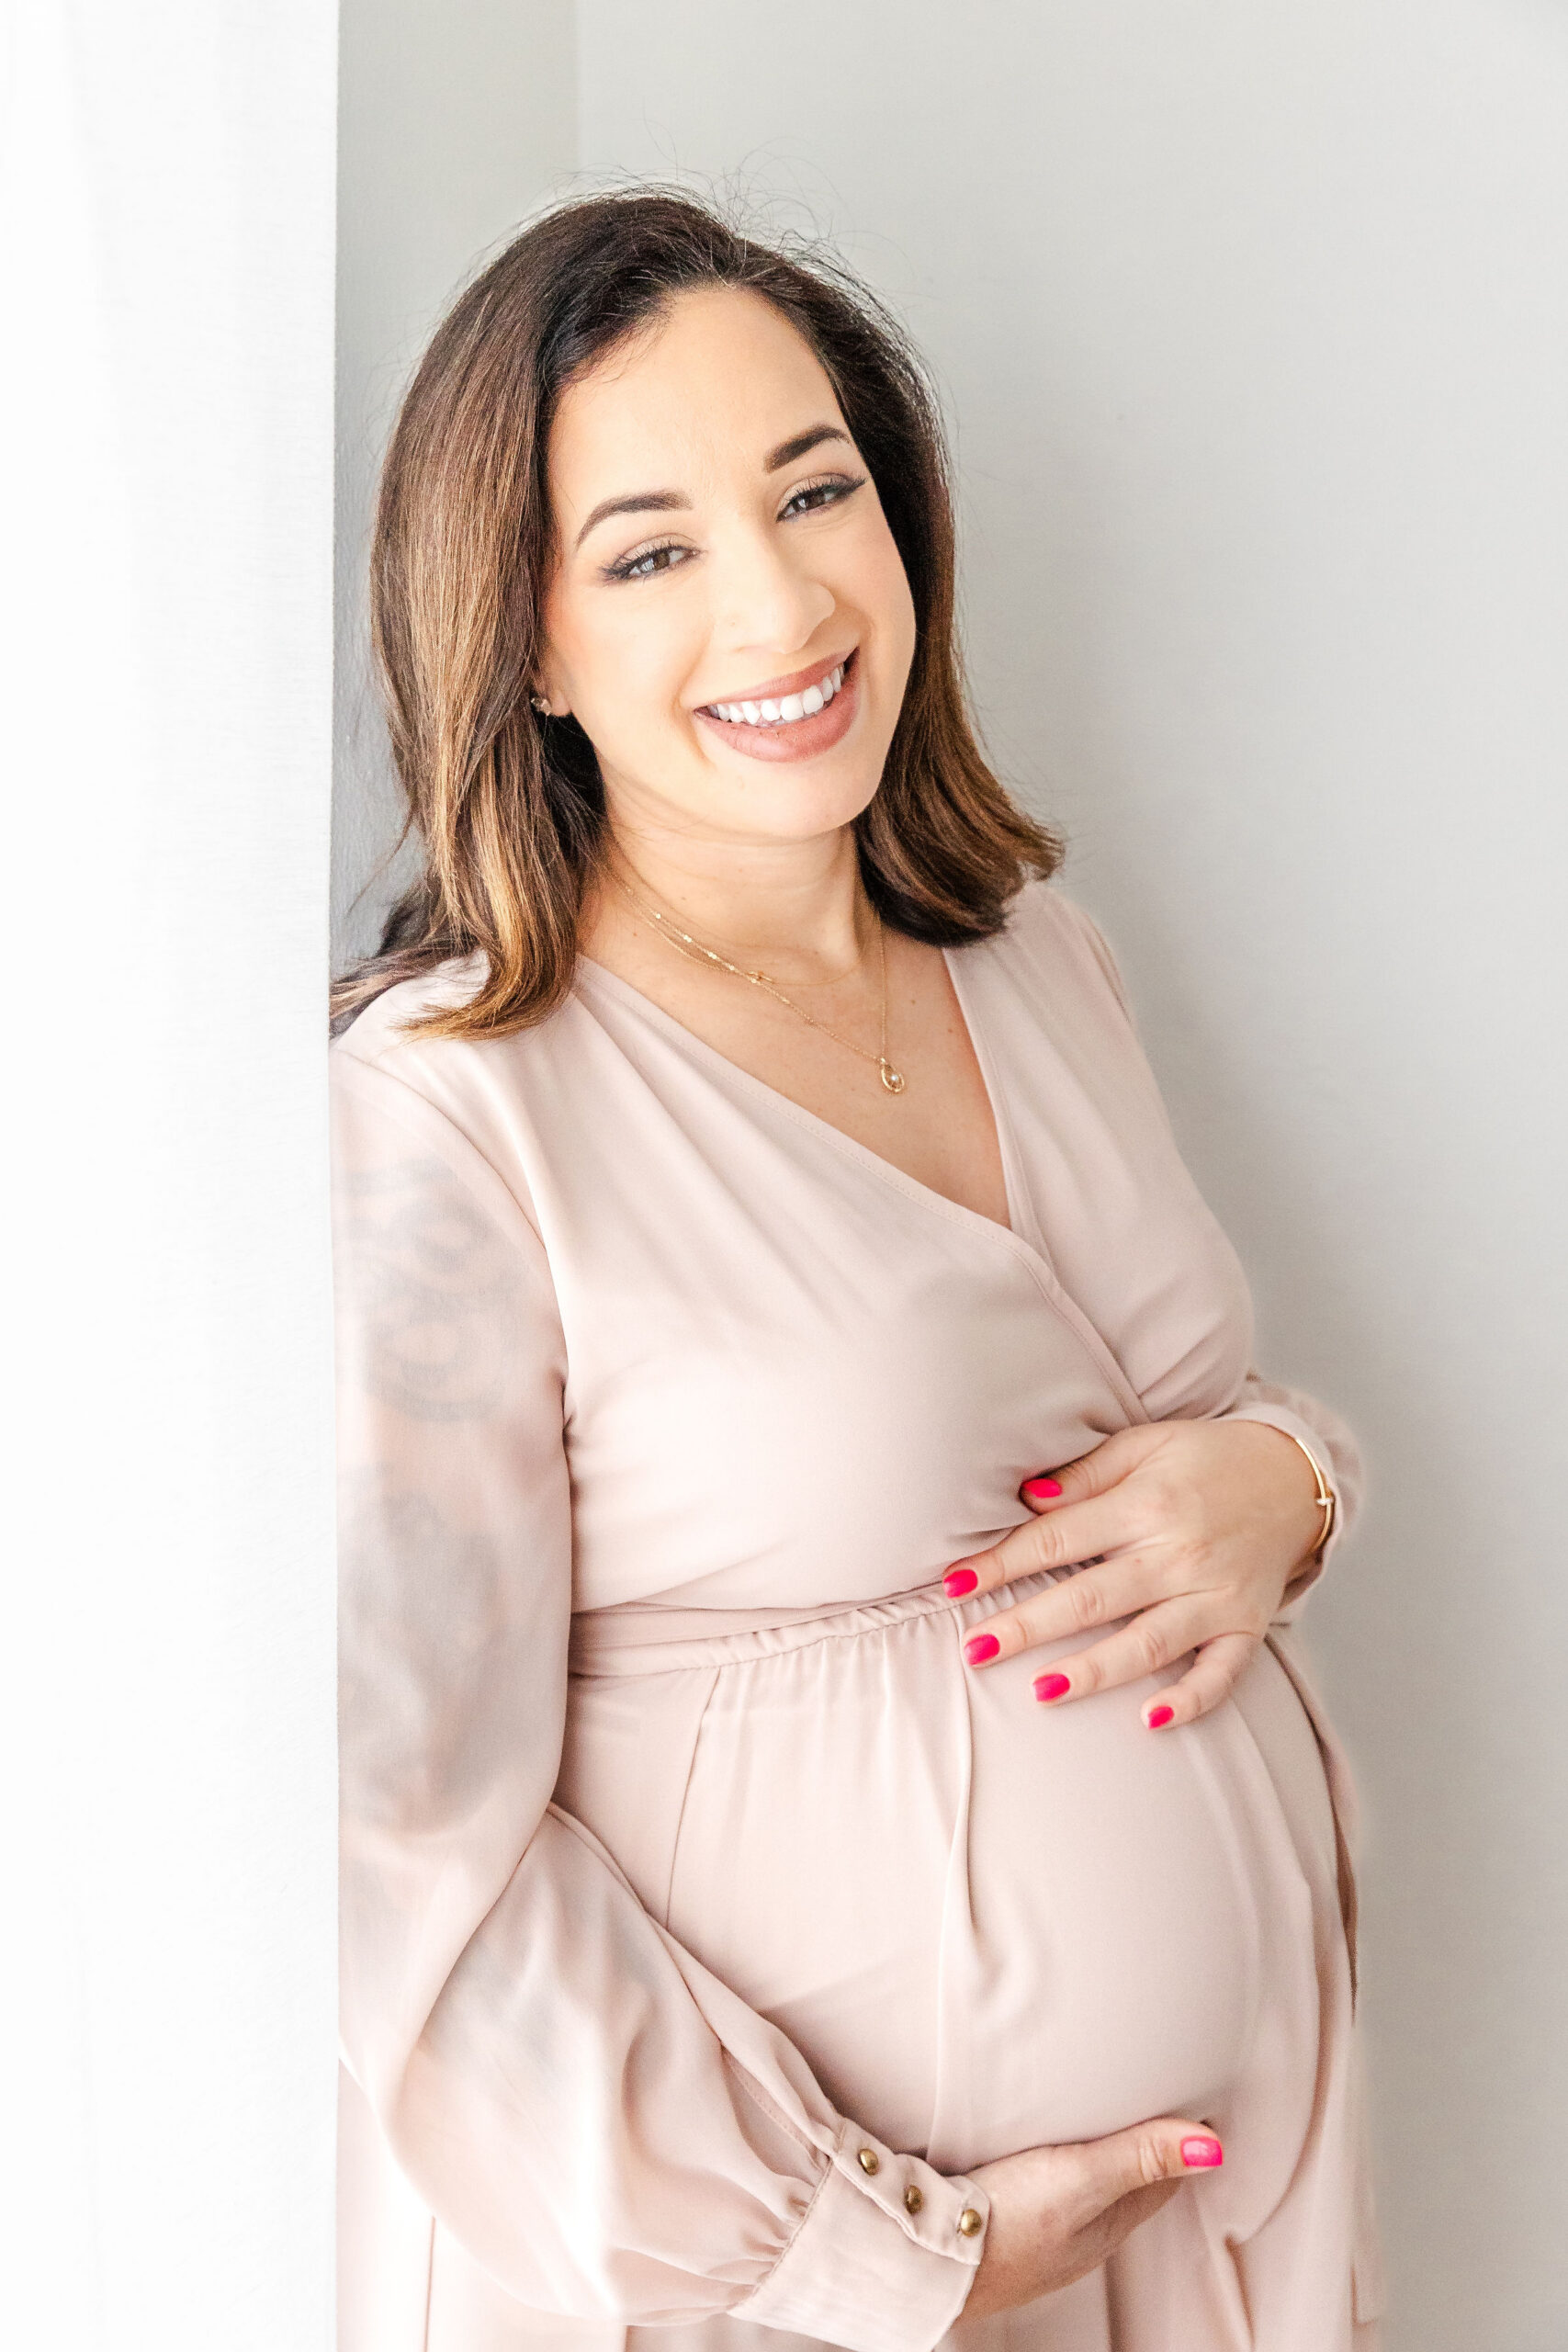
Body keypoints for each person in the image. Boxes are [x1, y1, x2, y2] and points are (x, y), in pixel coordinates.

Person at [331, 188, 1382, 2351]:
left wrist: (1290, 1481)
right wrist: (869, 2251)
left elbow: (1129, 1421)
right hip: (789, 2290)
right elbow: (390, 1838)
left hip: (1191, 2243)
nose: (782, 599)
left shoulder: (1034, 959)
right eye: (649, 552)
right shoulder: (449, 1110)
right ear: (525, 644)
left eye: (814, 491)